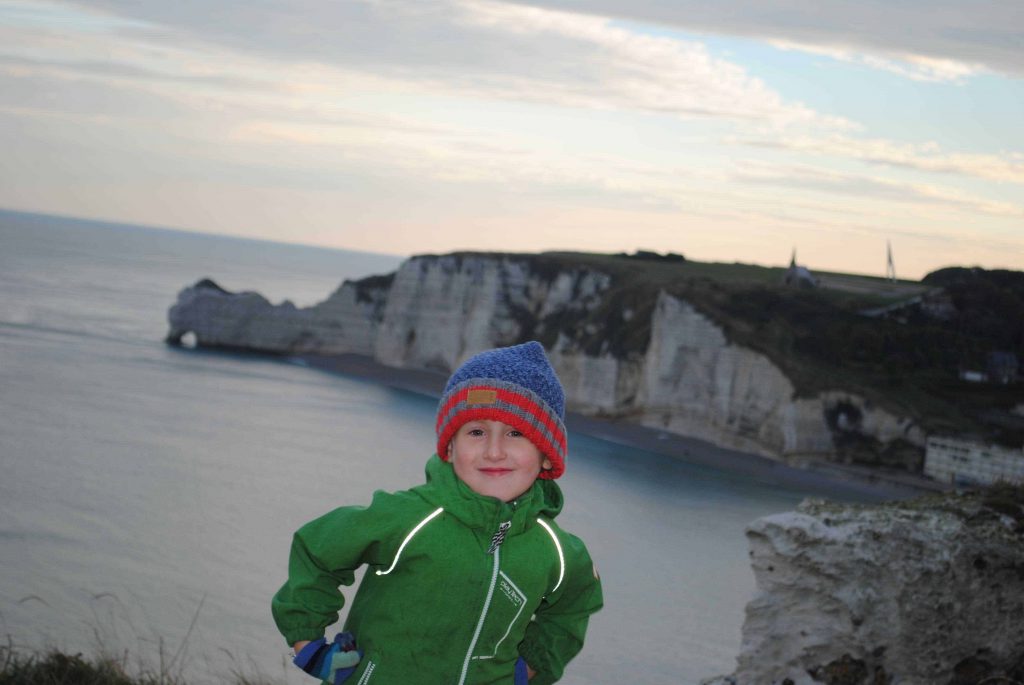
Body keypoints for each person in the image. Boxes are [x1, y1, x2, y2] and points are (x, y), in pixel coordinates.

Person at [272, 341, 603, 685]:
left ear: (547, 455)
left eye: (516, 433)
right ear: (449, 446)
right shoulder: (407, 516)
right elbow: (318, 549)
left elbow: (574, 604)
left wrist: (532, 665)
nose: (494, 451)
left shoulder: (558, 552)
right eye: (476, 432)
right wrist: (307, 642)